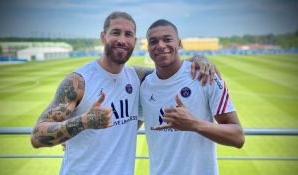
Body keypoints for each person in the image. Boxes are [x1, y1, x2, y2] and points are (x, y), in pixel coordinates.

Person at [30, 12, 216, 175]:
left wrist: (199, 59)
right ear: (103, 37)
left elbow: (172, 70)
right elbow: (37, 136)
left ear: (134, 42)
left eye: (128, 34)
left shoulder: (137, 77)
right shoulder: (79, 81)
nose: (122, 39)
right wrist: (83, 122)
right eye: (115, 32)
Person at [139, 19, 245, 175]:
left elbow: (238, 137)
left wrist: (194, 124)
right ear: (148, 48)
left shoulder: (206, 76)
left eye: (167, 39)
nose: (160, 45)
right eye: (153, 41)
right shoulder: (143, 86)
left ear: (180, 43)